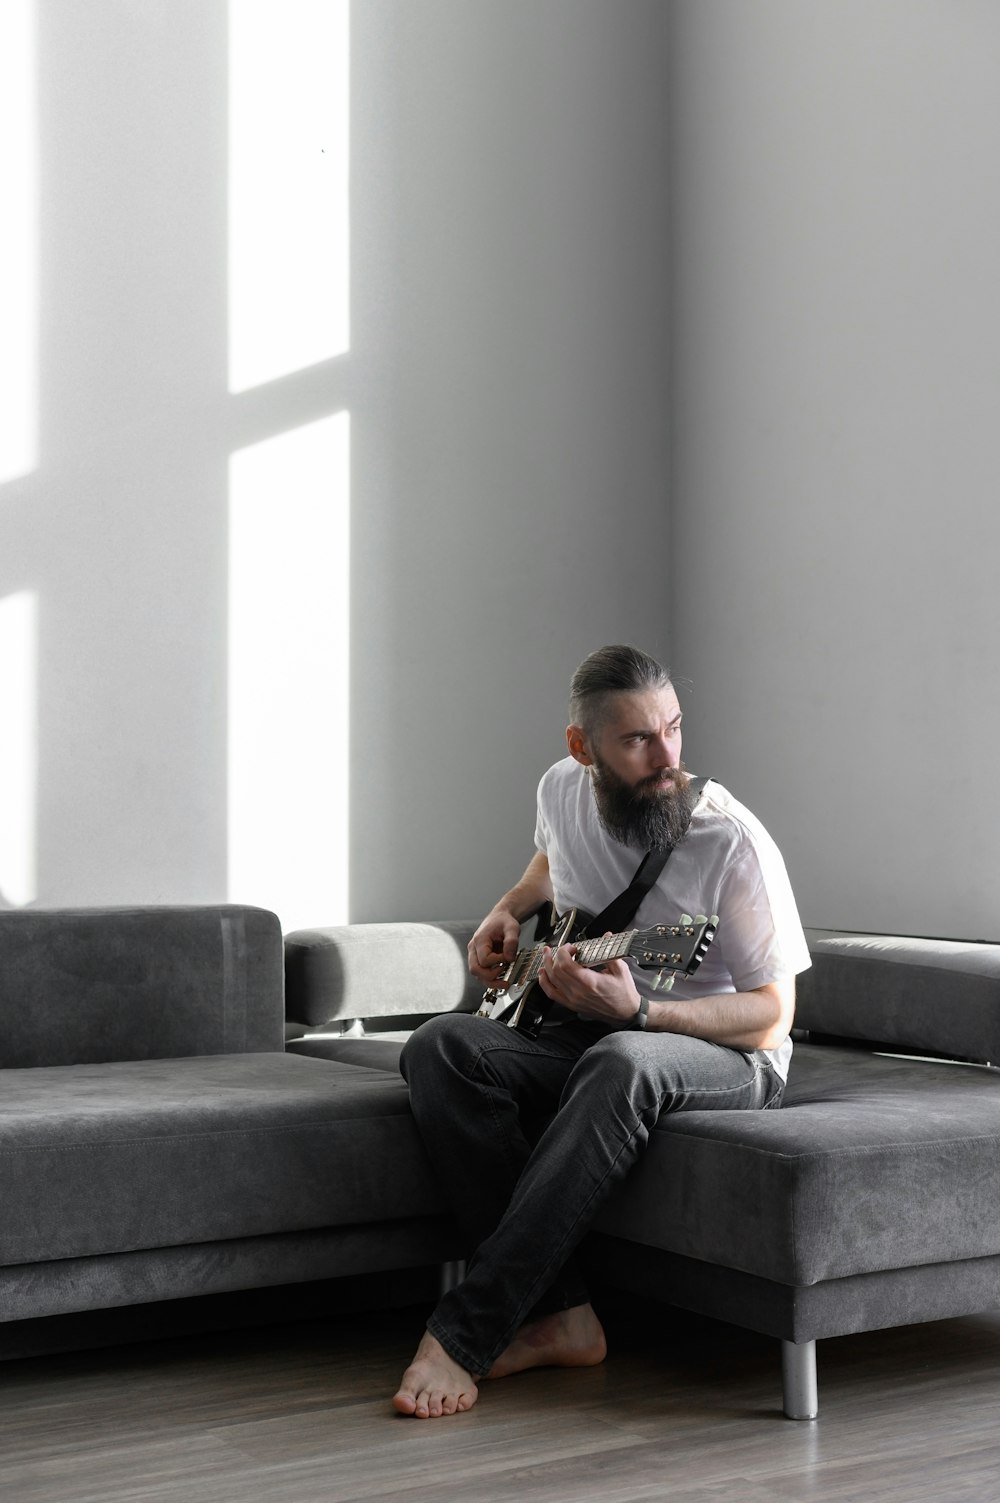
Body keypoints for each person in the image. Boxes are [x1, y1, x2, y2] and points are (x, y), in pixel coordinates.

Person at [393, 644, 810, 1419]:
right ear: (581, 748)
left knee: (623, 1059)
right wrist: (508, 907)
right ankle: (563, 1315)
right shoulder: (561, 789)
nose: (667, 758)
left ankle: (465, 1332)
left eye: (674, 729)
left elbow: (771, 1016)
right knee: (440, 1046)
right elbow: (553, 860)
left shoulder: (731, 840)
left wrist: (644, 1013)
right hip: (590, 1034)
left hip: (727, 1053)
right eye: (637, 740)